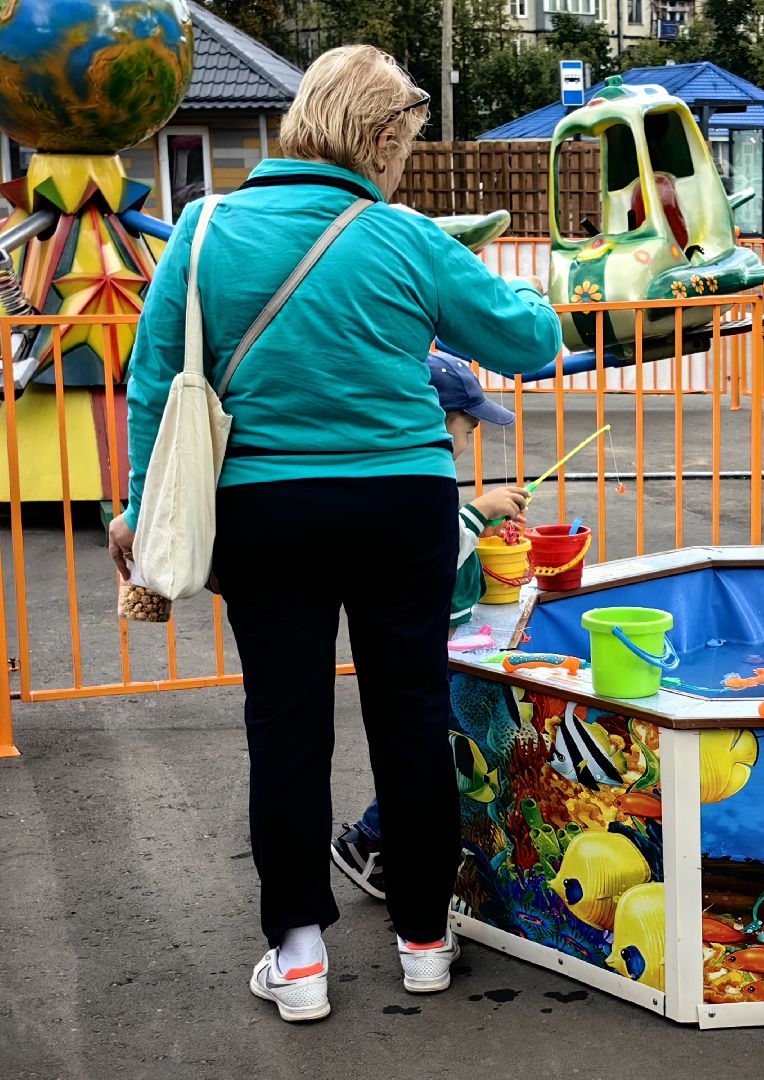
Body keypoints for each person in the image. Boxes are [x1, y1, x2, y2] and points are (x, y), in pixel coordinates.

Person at [107, 45, 562, 1022]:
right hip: (402, 506)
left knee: (285, 729)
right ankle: (427, 942)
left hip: (265, 513)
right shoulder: (404, 237)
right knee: (410, 717)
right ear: (385, 137)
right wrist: (525, 287)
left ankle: (302, 955)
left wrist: (139, 507)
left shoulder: (206, 227)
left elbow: (154, 383)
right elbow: (530, 339)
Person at [330, 350, 527, 903]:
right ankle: (370, 841)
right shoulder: (417, 479)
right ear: (434, 419)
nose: (465, 442)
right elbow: (429, 551)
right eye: (465, 427)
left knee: (436, 746)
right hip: (421, 641)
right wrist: (477, 514)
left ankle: (390, 842)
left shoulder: (414, 471)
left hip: (441, 635)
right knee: (429, 747)